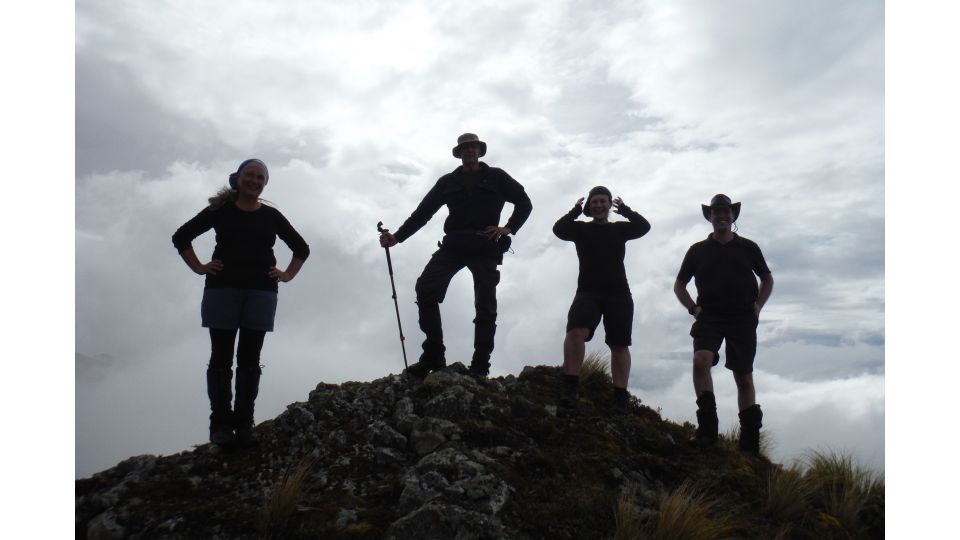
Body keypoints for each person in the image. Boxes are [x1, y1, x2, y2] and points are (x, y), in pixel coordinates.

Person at [172, 158, 310, 446]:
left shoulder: (271, 216)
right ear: (239, 178)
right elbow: (181, 236)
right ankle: (220, 425)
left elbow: (301, 248)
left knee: (249, 360)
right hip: (222, 290)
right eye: (251, 175)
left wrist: (286, 274)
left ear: (265, 184)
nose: (255, 181)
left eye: (261, 178)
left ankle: (244, 423)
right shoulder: (220, 210)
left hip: (261, 292)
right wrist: (198, 266)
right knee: (221, 358)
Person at [379, 133, 532, 378]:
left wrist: (508, 228)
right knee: (426, 289)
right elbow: (423, 213)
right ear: (459, 153)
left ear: (480, 151)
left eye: (473, 147)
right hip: (454, 244)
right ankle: (434, 355)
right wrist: (396, 237)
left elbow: (524, 202)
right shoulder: (448, 182)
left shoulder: (497, 177)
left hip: (485, 244)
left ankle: (480, 366)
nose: (469, 151)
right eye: (465, 148)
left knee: (485, 305)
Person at [673, 194, 773, 455]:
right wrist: (693, 308)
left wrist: (758, 305)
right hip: (710, 317)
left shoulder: (749, 247)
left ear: (733, 216)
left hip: (742, 317)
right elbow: (679, 284)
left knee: (743, 377)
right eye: (716, 212)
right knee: (700, 361)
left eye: (726, 212)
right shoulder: (697, 251)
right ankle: (707, 431)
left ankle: (749, 444)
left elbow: (767, 278)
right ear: (710, 217)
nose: (722, 216)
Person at [552, 186, 651, 413]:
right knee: (575, 332)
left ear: (609, 205)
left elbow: (644, 226)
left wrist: (625, 209)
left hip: (619, 293)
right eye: (594, 202)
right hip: (588, 292)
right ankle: (570, 386)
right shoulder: (580, 230)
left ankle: (620, 396)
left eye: (603, 201)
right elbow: (559, 229)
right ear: (589, 206)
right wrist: (574, 210)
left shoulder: (619, 229)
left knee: (619, 344)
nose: (598, 205)